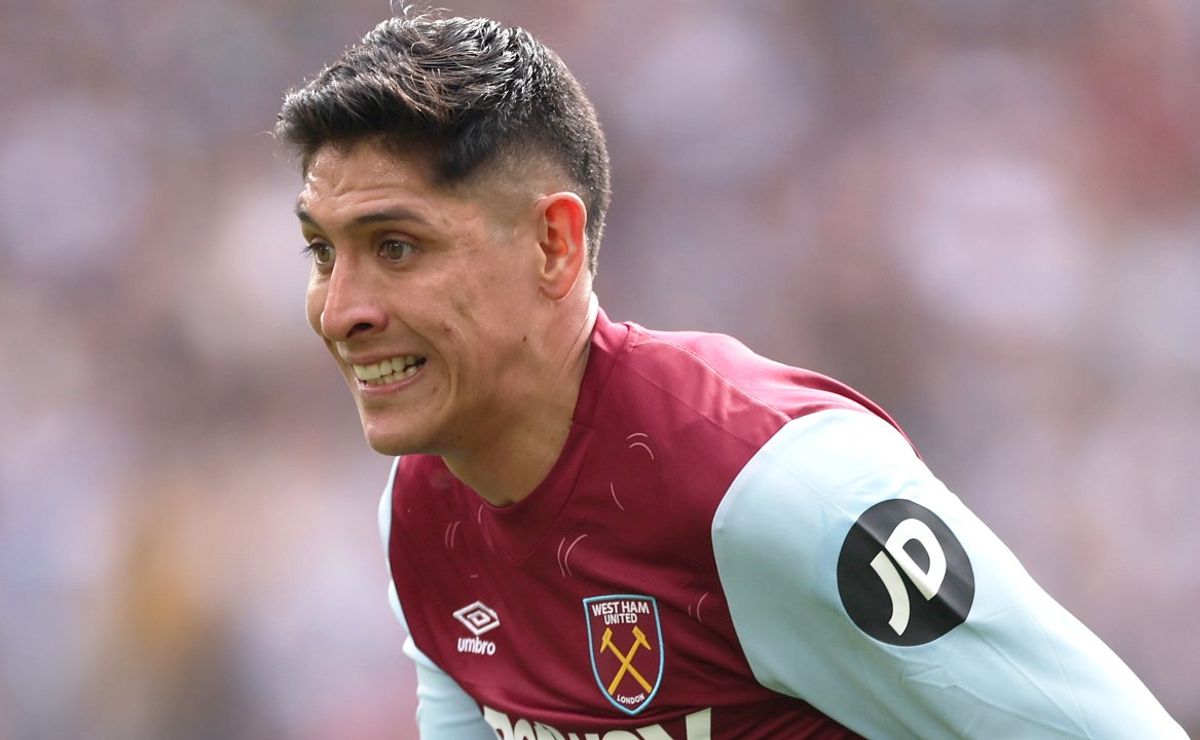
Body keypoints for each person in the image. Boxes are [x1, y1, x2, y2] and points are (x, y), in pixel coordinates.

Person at [275, 11, 1185, 739]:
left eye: (397, 247)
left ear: (553, 244)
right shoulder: (426, 511)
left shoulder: (779, 489)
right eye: (323, 252)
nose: (340, 309)